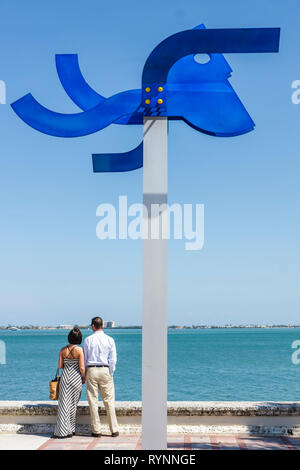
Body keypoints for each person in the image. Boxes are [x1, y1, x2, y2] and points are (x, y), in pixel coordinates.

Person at [83, 316, 119, 437]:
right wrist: (111, 373)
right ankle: (114, 429)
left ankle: (96, 430)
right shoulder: (110, 340)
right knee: (109, 401)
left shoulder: (88, 340)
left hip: (92, 370)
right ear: (102, 325)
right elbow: (113, 359)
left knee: (93, 401)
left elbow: (85, 358)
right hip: (105, 369)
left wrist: (86, 373)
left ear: (93, 326)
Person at [53, 327, 85, 438]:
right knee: (73, 405)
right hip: (76, 378)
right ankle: (71, 430)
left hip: (65, 377)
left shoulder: (63, 350)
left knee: (64, 405)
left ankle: (62, 431)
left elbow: (60, 366)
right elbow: (81, 368)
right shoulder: (80, 350)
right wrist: (84, 377)